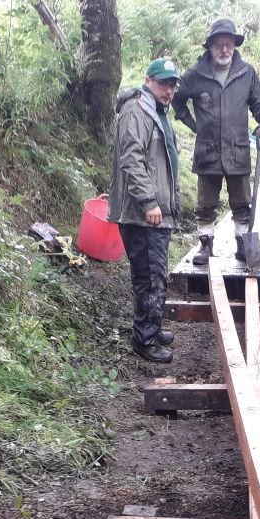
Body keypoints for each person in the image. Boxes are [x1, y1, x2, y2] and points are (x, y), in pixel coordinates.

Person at [173, 18, 260, 267]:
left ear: (234, 46)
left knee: (242, 202)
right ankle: (205, 245)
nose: (224, 50)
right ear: (210, 47)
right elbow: (177, 99)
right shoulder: (195, 74)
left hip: (237, 149)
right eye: (219, 45)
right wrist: (193, 124)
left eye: (229, 44)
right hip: (207, 150)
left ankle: (243, 245)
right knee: (205, 203)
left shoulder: (246, 73)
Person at [108, 58, 182, 364]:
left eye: (173, 85)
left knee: (154, 274)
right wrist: (149, 202)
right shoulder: (136, 111)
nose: (169, 90)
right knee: (150, 277)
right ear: (148, 80)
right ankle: (145, 340)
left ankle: (151, 326)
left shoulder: (156, 111)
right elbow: (132, 160)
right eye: (163, 83)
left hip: (155, 212)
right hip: (142, 214)